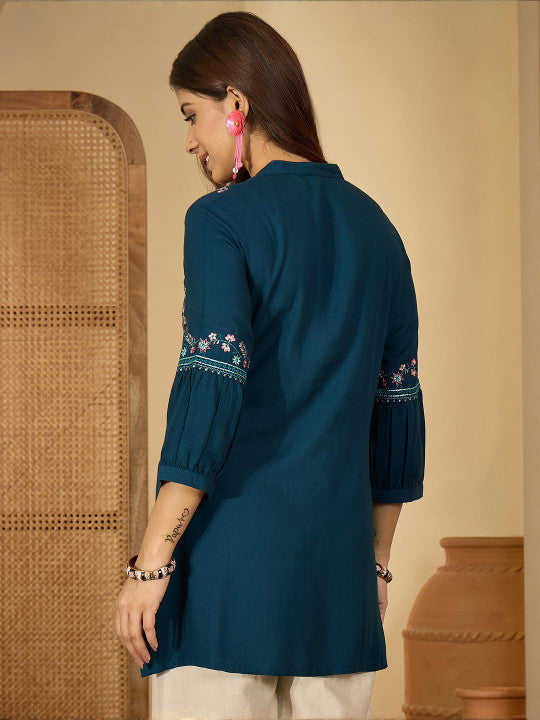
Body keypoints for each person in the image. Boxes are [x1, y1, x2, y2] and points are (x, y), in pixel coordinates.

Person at [115, 10, 426, 720]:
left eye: (191, 115)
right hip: (339, 592)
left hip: (229, 581)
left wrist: (151, 564)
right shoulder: (378, 230)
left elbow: (210, 390)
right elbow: (397, 411)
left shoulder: (221, 219)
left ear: (237, 102)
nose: (189, 140)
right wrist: (375, 567)